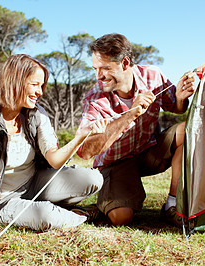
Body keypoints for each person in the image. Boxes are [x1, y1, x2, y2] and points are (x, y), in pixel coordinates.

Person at [0, 54, 107, 252]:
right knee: (45, 215)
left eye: (42, 86)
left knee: (93, 178)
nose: (40, 92)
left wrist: (79, 136)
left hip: (33, 183)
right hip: (0, 199)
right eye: (35, 85)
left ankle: (44, 206)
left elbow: (54, 160)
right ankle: (82, 215)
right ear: (16, 81)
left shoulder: (36, 114)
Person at [77, 33, 195, 227]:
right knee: (121, 218)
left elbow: (176, 108)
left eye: (105, 68)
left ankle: (172, 205)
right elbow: (85, 151)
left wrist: (181, 98)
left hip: (148, 153)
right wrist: (130, 114)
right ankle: (102, 205)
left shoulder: (152, 75)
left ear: (124, 63)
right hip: (115, 162)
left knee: (186, 131)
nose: (99, 76)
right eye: (96, 69)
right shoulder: (95, 98)